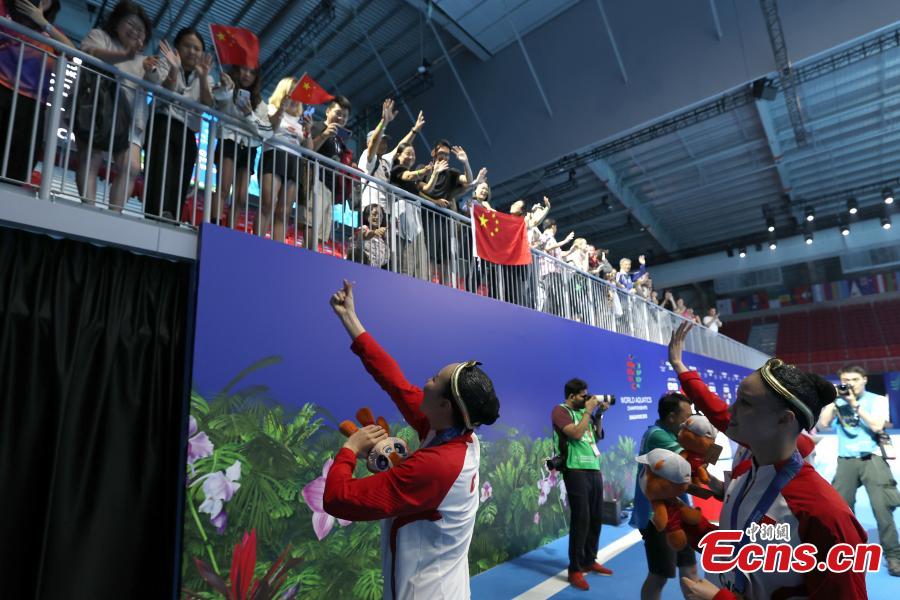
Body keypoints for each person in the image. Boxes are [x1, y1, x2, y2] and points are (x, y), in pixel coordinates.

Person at [322, 280, 500, 599]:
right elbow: (395, 382)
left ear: (444, 405)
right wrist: (350, 317)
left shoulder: (436, 465)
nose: (424, 382)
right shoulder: (455, 434)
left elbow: (337, 498)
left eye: (433, 378)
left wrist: (351, 448)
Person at [668, 323, 869, 600]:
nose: (729, 410)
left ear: (784, 420)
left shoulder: (825, 515)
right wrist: (688, 522)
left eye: (745, 403)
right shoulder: (743, 476)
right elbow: (743, 548)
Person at [817, 364, 900, 576]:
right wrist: (833, 401)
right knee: (840, 510)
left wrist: (854, 404)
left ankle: (893, 556)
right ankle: (845, 553)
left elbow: (877, 426)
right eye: (846, 380)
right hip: (846, 460)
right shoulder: (838, 400)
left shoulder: (876, 400)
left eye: (855, 379)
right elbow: (822, 424)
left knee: (882, 509)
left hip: (872, 458)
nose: (850, 384)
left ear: (864, 380)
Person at [75, 0, 152, 211]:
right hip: (96, 108)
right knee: (91, 157)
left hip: (130, 118)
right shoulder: (100, 36)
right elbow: (90, 52)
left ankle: (114, 214)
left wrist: (154, 70)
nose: (135, 31)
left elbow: (157, 82)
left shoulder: (145, 60)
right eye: (130, 24)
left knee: (132, 167)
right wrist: (125, 55)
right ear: (116, 22)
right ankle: (89, 210)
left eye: (140, 29)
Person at [630, 392, 700, 600]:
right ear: (671, 417)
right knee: (659, 576)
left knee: (690, 570)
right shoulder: (657, 436)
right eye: (687, 417)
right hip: (656, 518)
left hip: (678, 510)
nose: (690, 422)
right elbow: (700, 459)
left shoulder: (673, 434)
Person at [143, 28, 214, 221]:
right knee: (159, 171)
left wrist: (202, 78)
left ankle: (172, 217)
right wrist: (174, 69)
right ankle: (155, 214)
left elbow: (208, 104)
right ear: (177, 47)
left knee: (181, 177)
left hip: (188, 132)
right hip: (162, 123)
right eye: (187, 46)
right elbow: (164, 91)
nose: (192, 51)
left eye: (197, 48)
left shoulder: (206, 77)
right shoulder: (165, 62)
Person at [551, 378, 614, 591]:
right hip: (575, 469)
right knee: (581, 519)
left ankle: (589, 560)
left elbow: (596, 437)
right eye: (582, 396)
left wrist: (599, 415)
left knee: (596, 517)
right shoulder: (560, 411)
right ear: (571, 396)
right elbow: (576, 434)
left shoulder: (584, 413)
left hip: (593, 468)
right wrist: (588, 411)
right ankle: (575, 569)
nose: (586, 399)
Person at [0, 0, 72, 185]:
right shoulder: (3, 9)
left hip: (31, 103)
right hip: (2, 88)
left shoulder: (50, 32)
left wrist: (42, 23)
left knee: (18, 164)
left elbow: (72, 52)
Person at [213, 64, 270, 230]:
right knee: (224, 188)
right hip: (228, 140)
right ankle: (214, 226)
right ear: (237, 70)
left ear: (256, 77)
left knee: (241, 197)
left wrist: (249, 114)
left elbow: (266, 131)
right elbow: (215, 99)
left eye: (252, 72)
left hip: (249, 148)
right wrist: (227, 88)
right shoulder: (227, 88)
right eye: (244, 69)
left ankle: (230, 232)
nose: (247, 74)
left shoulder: (261, 105)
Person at [259, 76, 312, 242]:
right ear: (283, 93)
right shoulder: (270, 109)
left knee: (284, 211)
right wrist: (281, 110)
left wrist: (308, 131)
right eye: (291, 95)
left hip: (294, 162)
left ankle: (278, 248)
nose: (295, 100)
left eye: (298, 96)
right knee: (267, 204)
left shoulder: (301, 120)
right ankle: (256, 242)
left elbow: (309, 150)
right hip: (273, 155)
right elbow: (269, 129)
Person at [310, 95, 352, 244]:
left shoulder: (339, 140)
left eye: (344, 116)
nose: (341, 118)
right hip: (315, 183)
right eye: (338, 113)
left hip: (330, 189)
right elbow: (307, 150)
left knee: (322, 235)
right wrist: (324, 135)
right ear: (327, 111)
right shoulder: (316, 126)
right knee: (311, 228)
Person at [390, 142, 430, 279]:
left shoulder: (413, 180)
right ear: (398, 155)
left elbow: (425, 189)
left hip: (415, 215)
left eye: (413, 154)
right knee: (406, 253)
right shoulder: (397, 169)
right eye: (407, 153)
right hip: (402, 212)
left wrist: (435, 173)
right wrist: (422, 172)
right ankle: (404, 282)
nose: (411, 157)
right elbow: (407, 176)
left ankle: (421, 285)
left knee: (420, 255)